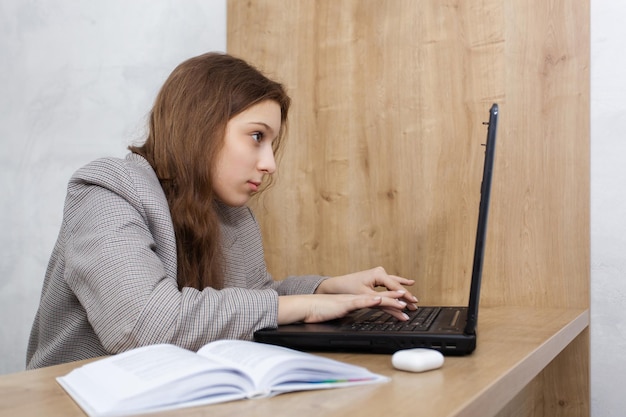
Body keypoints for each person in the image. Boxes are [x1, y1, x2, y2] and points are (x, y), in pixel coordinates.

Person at [26, 52, 418, 369]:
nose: (269, 164)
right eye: (256, 137)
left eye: (271, 144)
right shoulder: (106, 190)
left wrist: (324, 288)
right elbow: (145, 322)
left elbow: (254, 299)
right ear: (201, 125)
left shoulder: (230, 214)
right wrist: (308, 306)